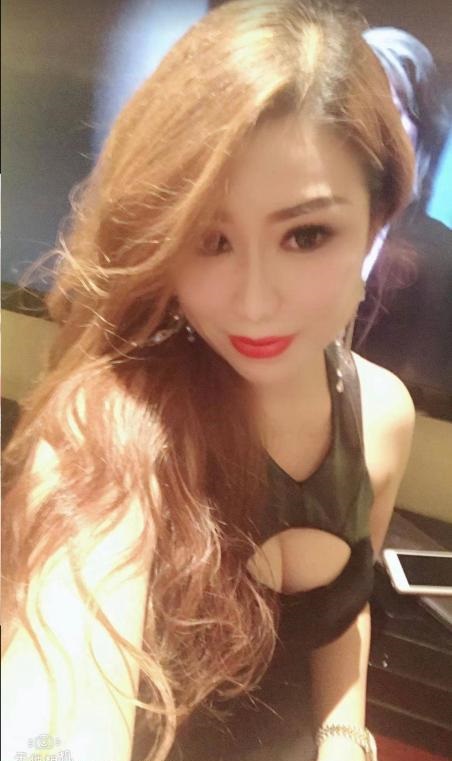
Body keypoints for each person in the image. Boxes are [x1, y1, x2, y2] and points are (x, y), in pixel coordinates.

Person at [2, 2, 416, 760]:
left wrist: (344, 735)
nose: (254, 302)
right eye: (210, 238)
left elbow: (346, 608)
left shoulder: (382, 413)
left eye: (306, 234)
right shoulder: (111, 425)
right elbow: (56, 708)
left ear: (375, 222)